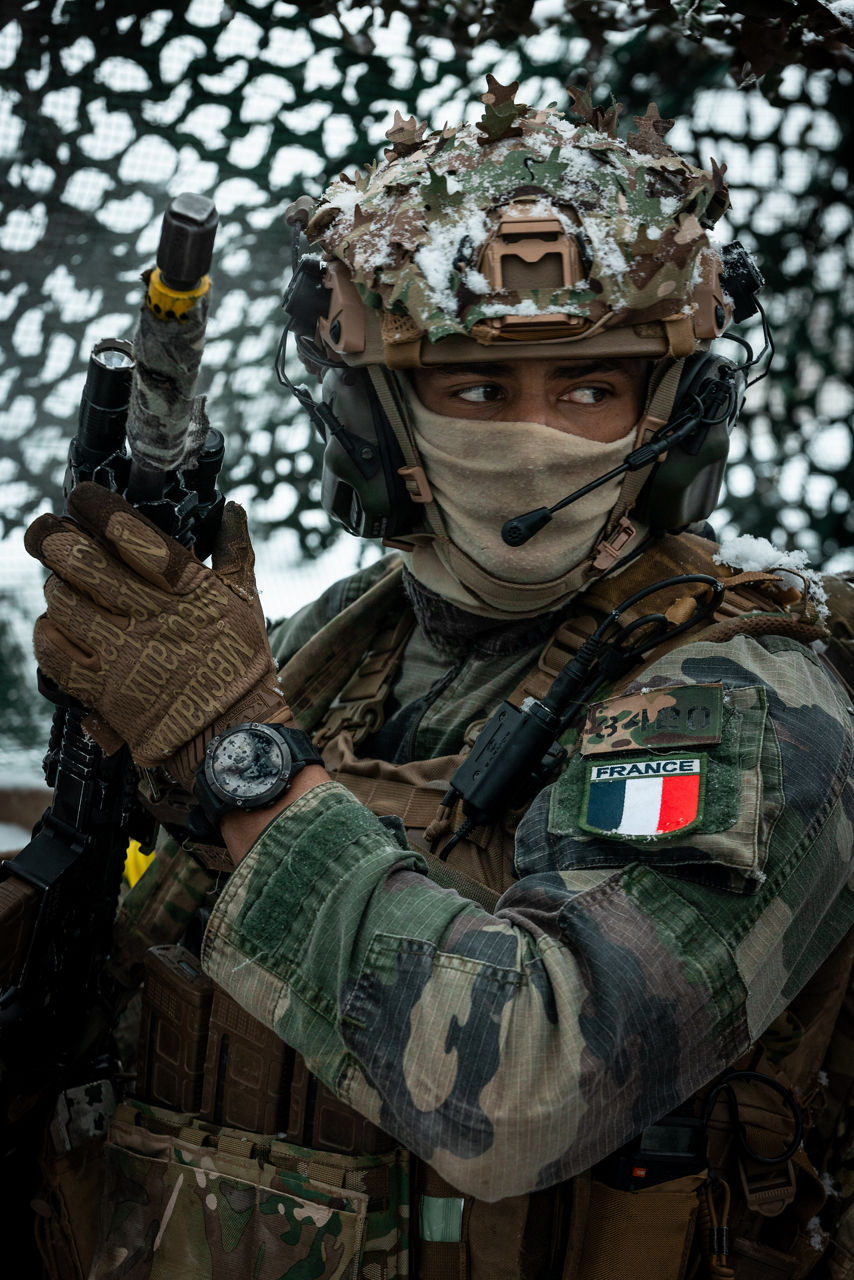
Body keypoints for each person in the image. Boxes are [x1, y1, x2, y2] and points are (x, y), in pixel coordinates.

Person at [24, 82, 854, 1279]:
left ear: (674, 421)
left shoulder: (744, 699)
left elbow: (527, 1080)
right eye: (473, 388)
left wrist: (234, 759)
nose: (531, 437)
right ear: (377, 426)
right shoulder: (332, 643)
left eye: (589, 388)